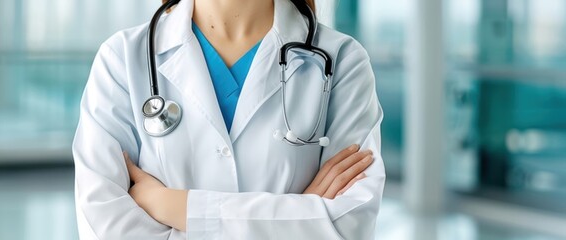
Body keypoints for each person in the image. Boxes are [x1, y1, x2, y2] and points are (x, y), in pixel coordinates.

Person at [73, 0, 384, 239]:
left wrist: (173, 206)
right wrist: (298, 221)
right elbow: (102, 224)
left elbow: (348, 225)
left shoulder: (343, 62)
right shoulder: (122, 60)